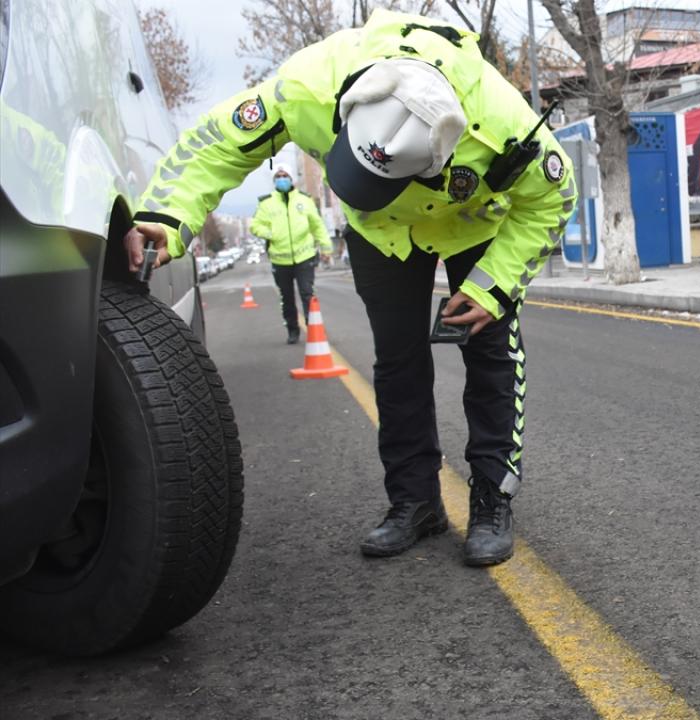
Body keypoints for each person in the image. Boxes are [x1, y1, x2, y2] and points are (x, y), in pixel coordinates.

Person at [124, 11, 576, 567]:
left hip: (471, 222)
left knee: (489, 350)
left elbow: (553, 200)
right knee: (398, 358)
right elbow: (220, 142)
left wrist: (492, 288)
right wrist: (166, 214)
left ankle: (491, 498)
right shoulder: (309, 84)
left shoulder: (505, 125)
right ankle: (415, 501)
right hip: (377, 227)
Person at [250, 164, 332, 344]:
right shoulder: (266, 203)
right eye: (278, 176)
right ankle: (292, 330)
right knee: (286, 298)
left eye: (285, 175)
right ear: (274, 181)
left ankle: (315, 329)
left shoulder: (304, 200)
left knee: (307, 294)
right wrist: (270, 233)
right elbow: (255, 226)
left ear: (291, 178)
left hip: (304, 257)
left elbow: (317, 226)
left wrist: (326, 248)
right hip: (280, 260)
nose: (282, 179)